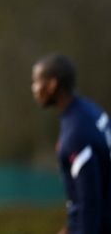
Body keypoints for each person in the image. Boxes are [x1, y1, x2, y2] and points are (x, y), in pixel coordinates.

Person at [31, 54, 111, 234]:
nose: (34, 89)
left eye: (36, 82)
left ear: (52, 85)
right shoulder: (91, 111)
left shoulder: (76, 135)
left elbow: (88, 204)